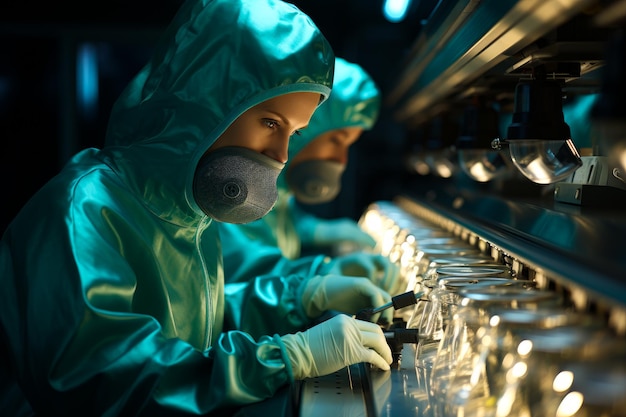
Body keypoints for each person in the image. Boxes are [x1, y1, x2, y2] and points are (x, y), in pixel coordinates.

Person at [0, 1, 394, 415]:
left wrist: (302, 295)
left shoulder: (191, 214)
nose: (281, 155)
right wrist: (284, 358)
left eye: (294, 133)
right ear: (208, 99)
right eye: (271, 123)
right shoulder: (82, 210)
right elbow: (103, 378)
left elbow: (202, 322)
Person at [219, 57, 404, 296]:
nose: (341, 160)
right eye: (336, 141)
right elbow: (248, 277)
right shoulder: (230, 194)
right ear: (306, 128)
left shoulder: (276, 194)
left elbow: (281, 219)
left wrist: (315, 230)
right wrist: (319, 279)